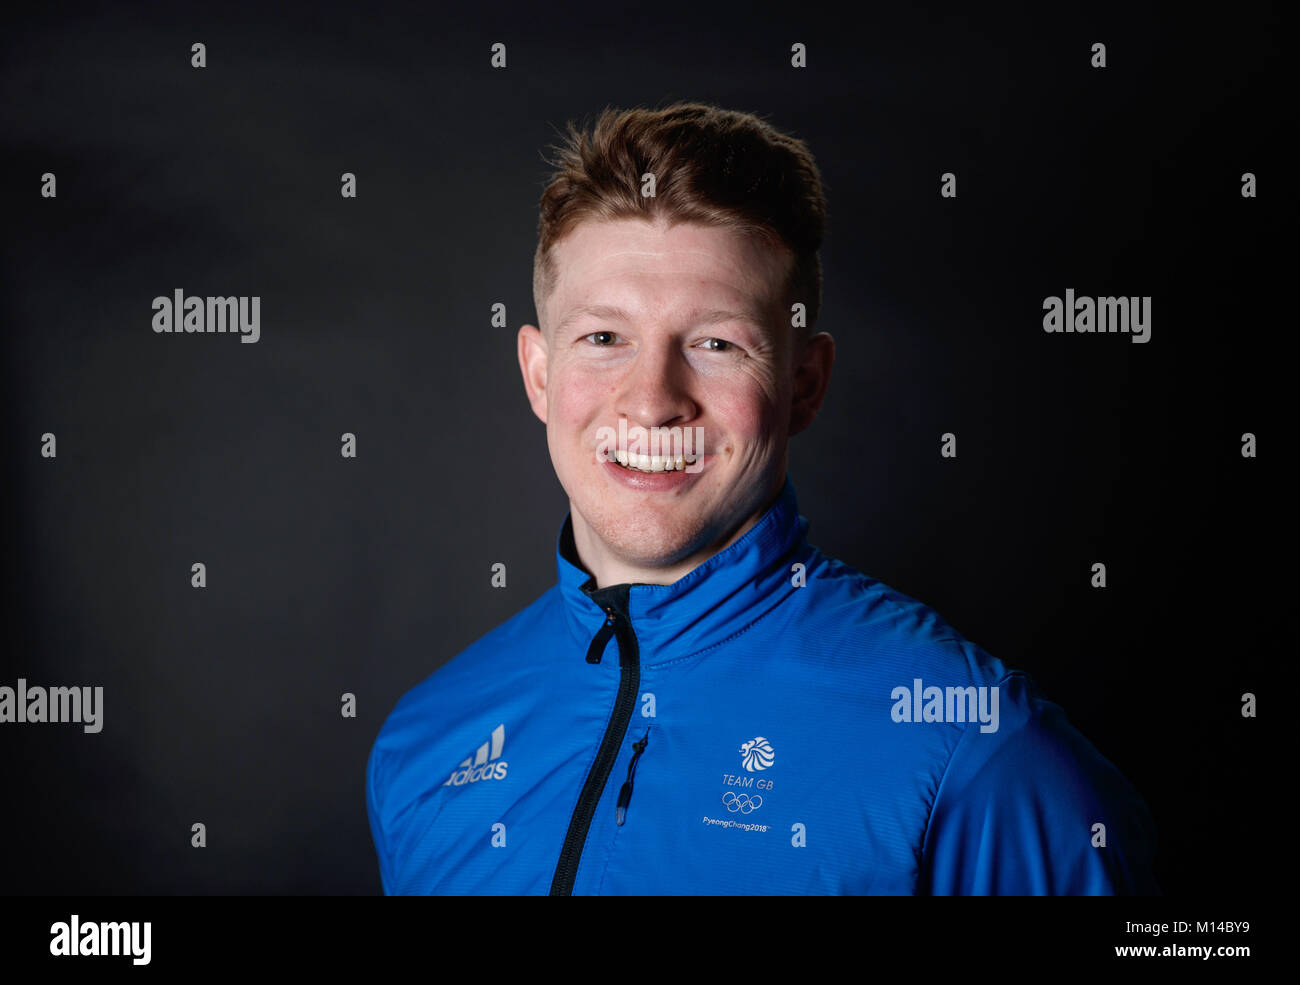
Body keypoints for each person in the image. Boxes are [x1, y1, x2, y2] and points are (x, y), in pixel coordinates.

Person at [365, 101, 1159, 895]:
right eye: (603, 338)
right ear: (539, 374)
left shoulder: (971, 747)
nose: (651, 401)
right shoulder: (429, 740)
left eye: (716, 343)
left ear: (804, 383)